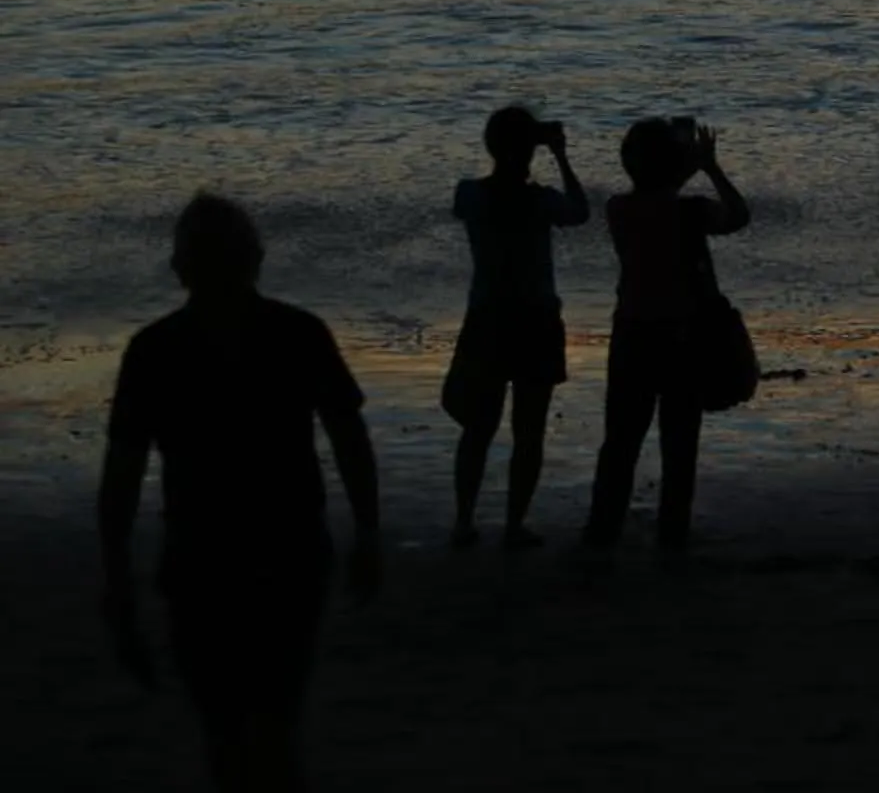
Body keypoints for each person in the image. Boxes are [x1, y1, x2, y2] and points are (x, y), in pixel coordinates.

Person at [99, 193, 382, 793]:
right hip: (292, 548)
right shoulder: (298, 332)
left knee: (223, 731)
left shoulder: (155, 349)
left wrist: (117, 576)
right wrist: (368, 532)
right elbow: (349, 437)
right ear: (257, 258)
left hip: (200, 555)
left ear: (180, 268)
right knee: (278, 723)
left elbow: (122, 472)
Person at [582, 115, 750, 552]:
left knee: (619, 443)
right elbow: (738, 216)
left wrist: (684, 164)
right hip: (683, 336)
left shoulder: (618, 209)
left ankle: (601, 537)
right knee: (679, 446)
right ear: (679, 167)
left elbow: (659, 193)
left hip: (632, 334)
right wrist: (710, 166)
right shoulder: (692, 212)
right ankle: (672, 540)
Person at [444, 102, 592, 549]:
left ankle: (464, 521)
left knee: (478, 427)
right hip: (535, 319)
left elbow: (468, 207)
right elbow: (581, 211)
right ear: (532, 149)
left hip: (488, 318)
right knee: (529, 429)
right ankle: (513, 525)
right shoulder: (542, 201)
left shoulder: (469, 195)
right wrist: (562, 155)